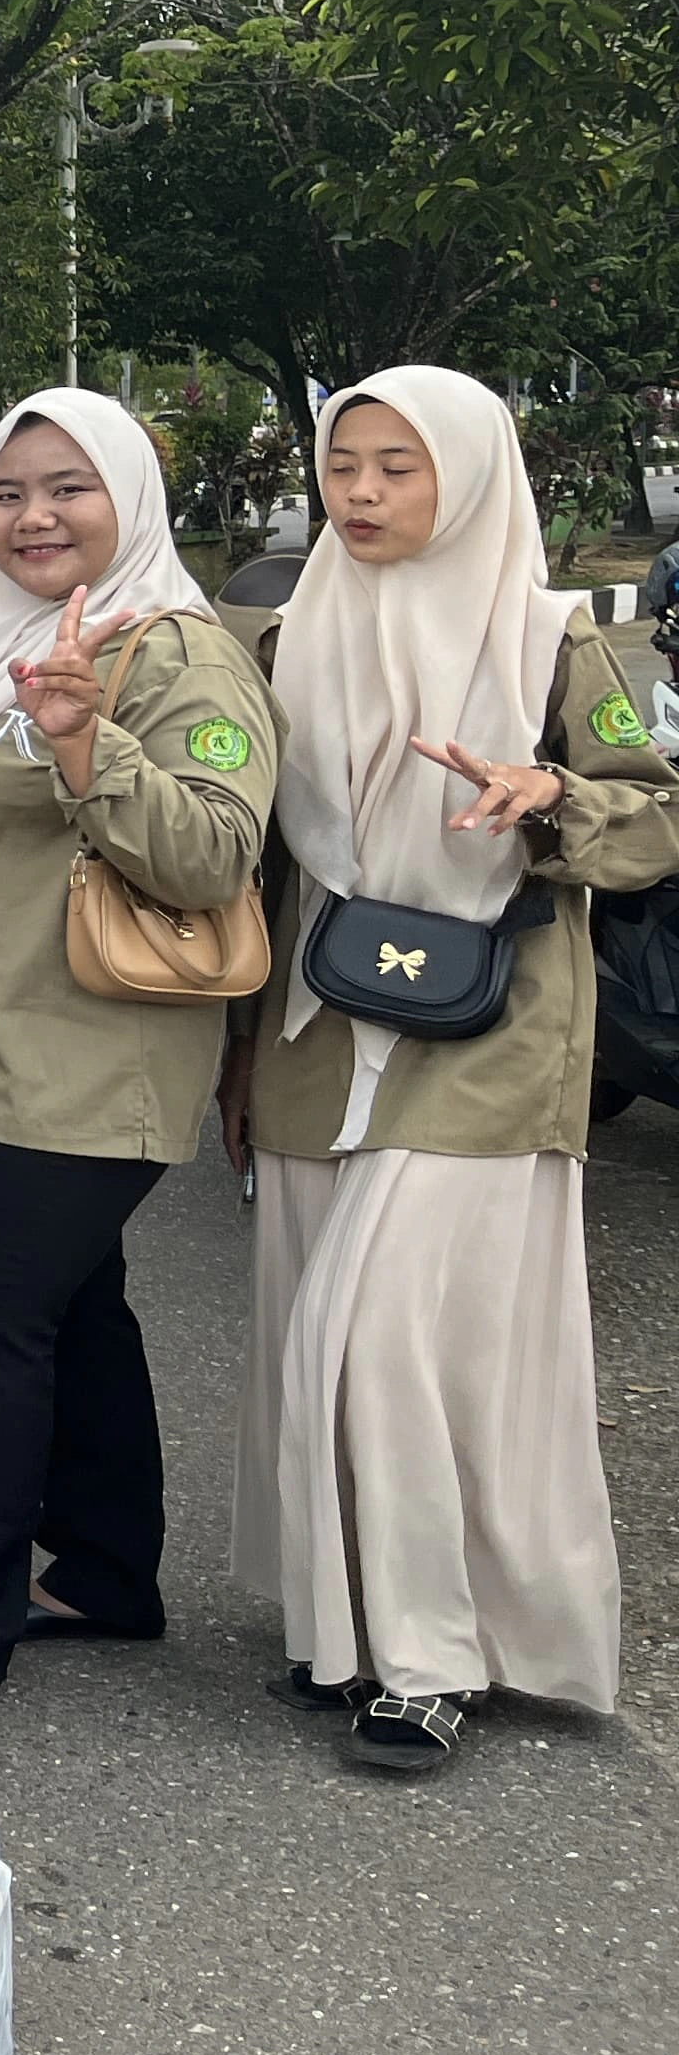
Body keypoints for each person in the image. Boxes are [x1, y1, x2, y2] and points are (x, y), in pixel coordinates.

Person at [220, 370, 679, 1772]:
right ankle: (341, 1621)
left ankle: (428, 1656)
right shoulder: (291, 637)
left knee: (381, 1335)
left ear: (471, 477)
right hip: (318, 1025)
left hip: (496, 1029)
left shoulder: (570, 644)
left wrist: (555, 799)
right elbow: (269, 858)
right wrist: (237, 1062)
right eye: (342, 465)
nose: (359, 494)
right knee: (315, 1326)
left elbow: (660, 820)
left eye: (397, 468)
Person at [0, 392, 275, 1715]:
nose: (33, 518)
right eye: (9, 491)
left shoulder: (178, 651)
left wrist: (90, 741)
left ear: (132, 499)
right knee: (74, 1312)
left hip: (85, 1066)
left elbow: (214, 853)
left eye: (69, 489)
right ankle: (99, 1571)